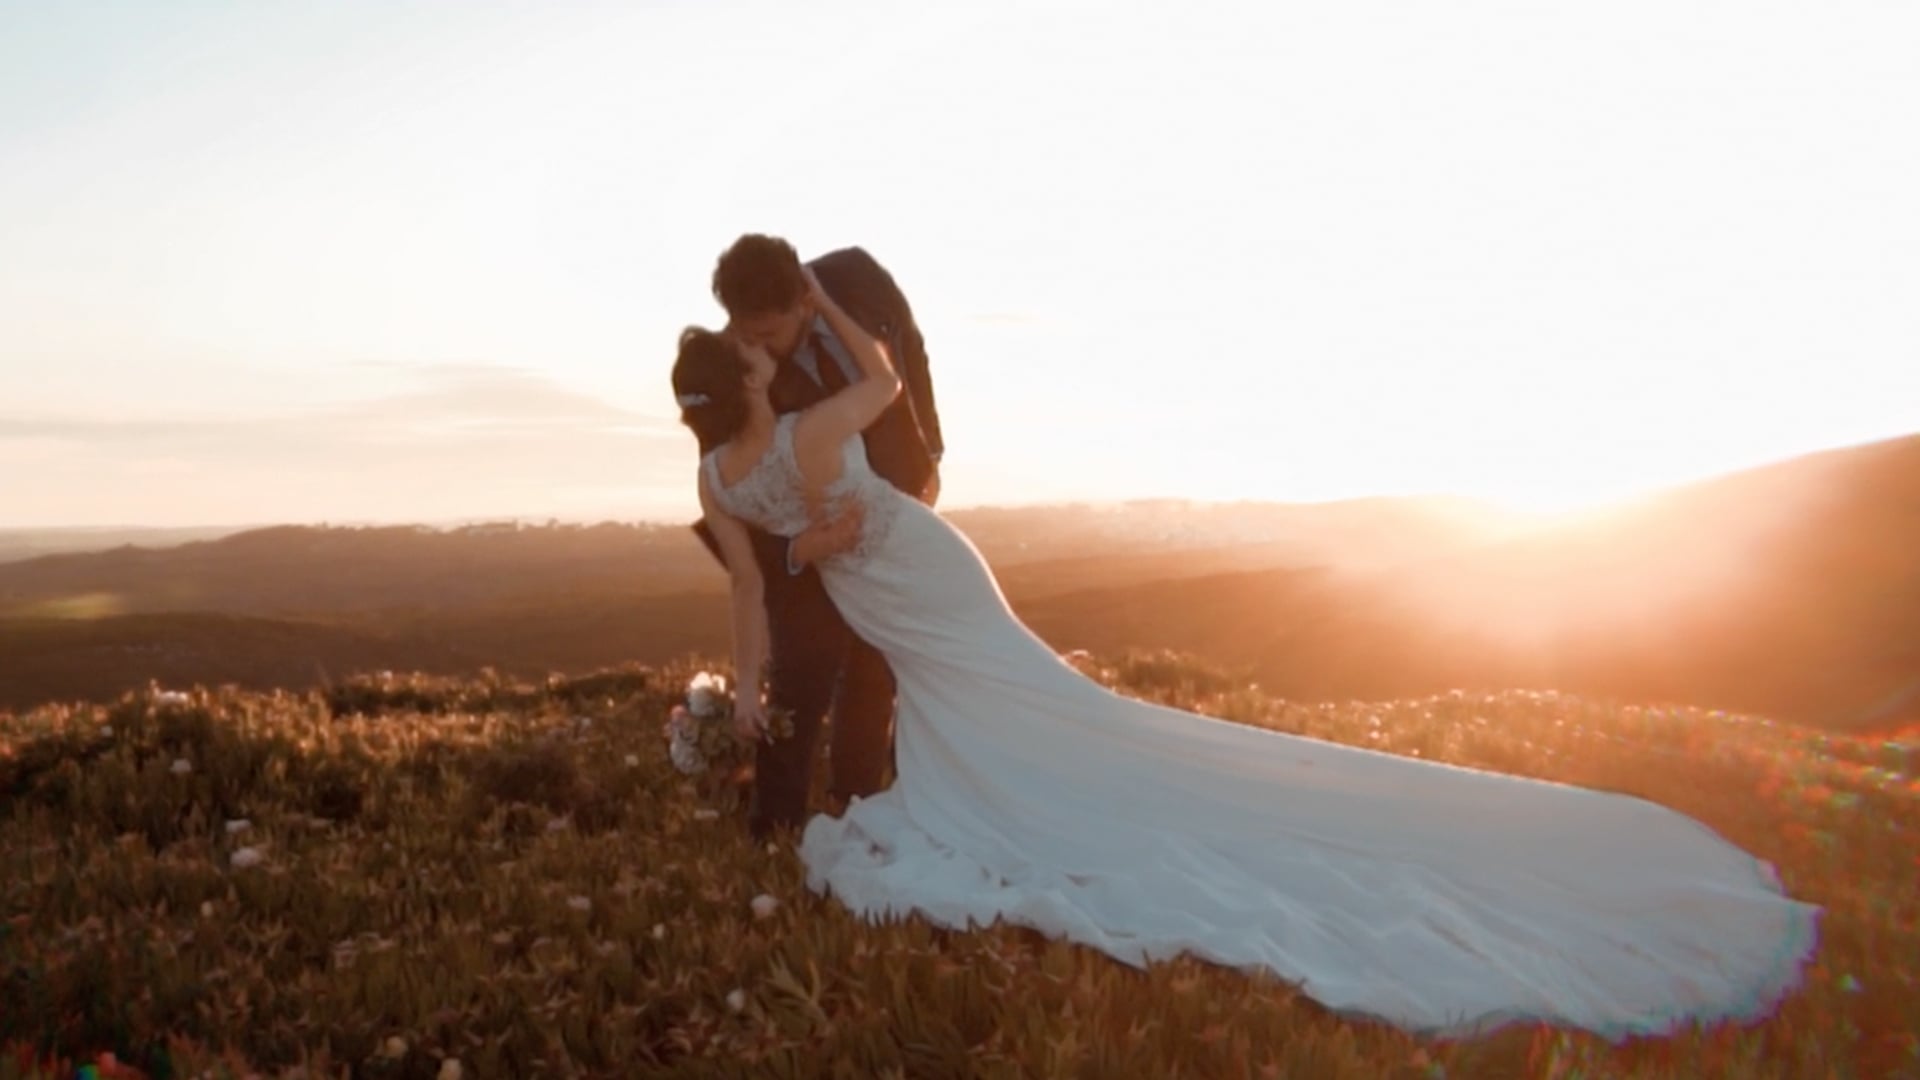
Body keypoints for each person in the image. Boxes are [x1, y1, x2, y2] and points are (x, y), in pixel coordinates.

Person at [668, 277, 1821, 1040]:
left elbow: (768, 586)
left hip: (922, 585)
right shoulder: (802, 431)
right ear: (750, 387)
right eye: (756, 359)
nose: (767, 360)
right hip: (905, 593)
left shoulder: (720, 480)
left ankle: (1036, 787)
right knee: (996, 715)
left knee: (1026, 704)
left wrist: (763, 667)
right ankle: (1008, 788)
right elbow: (853, 450)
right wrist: (822, 542)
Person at [685, 234, 942, 839]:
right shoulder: (729, 365)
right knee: (801, 669)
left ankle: (858, 802)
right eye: (743, 330)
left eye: (767, 333)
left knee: (875, 666)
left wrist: (928, 452)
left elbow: (905, 361)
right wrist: (799, 551)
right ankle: (773, 825)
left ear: (804, 300)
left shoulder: (858, 280)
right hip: (797, 544)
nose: (752, 344)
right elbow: (729, 482)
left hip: (889, 505)